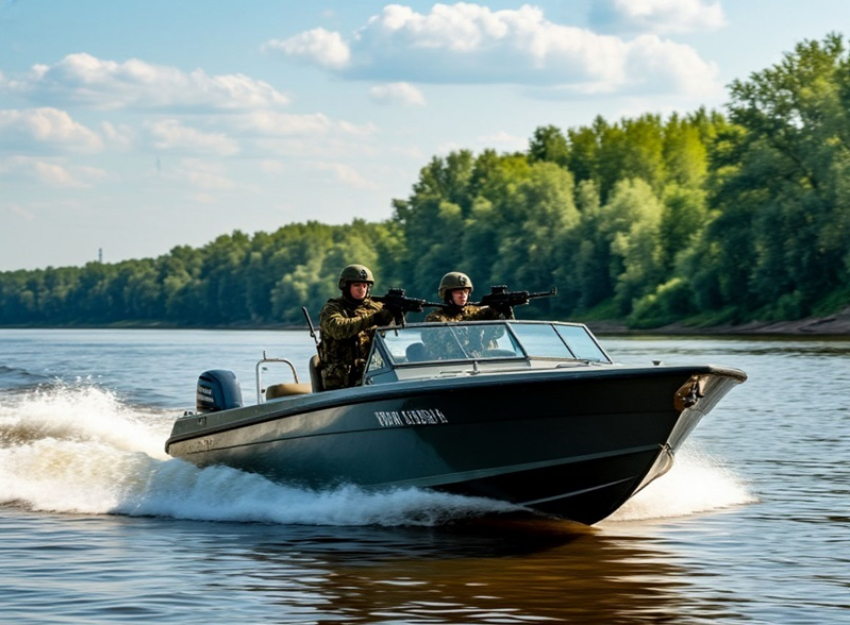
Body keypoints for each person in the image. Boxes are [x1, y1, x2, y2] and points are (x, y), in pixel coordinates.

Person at [317, 264, 395, 391]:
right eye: (357, 285)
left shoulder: (376, 308)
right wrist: (373, 319)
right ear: (346, 287)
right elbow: (339, 329)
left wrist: (394, 315)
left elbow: (392, 335)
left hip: (375, 375)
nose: (361, 289)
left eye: (365, 286)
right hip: (342, 380)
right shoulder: (332, 309)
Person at [425, 272, 509, 322]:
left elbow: (498, 332)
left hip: (482, 352)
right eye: (458, 292)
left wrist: (503, 310)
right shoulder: (436, 319)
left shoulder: (478, 313)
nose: (463, 295)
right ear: (447, 295)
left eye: (466, 291)